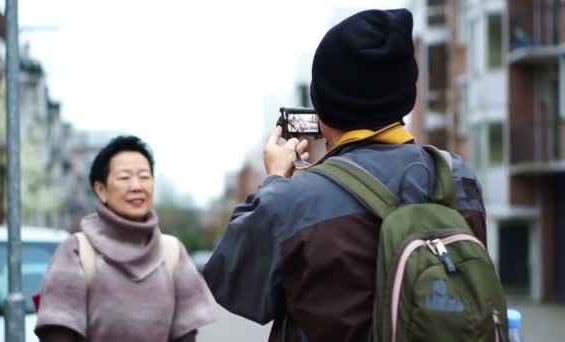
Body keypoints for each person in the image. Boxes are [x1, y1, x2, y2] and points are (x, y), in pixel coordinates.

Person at [202, 9, 487, 342]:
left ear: (323, 108)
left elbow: (230, 284)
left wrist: (275, 181)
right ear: (405, 95)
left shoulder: (292, 201)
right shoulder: (456, 177)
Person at [35, 135, 215, 342]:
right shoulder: (77, 250)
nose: (137, 186)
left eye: (145, 176)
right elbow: (57, 334)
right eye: (124, 177)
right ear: (101, 190)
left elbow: (186, 336)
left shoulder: (172, 252)